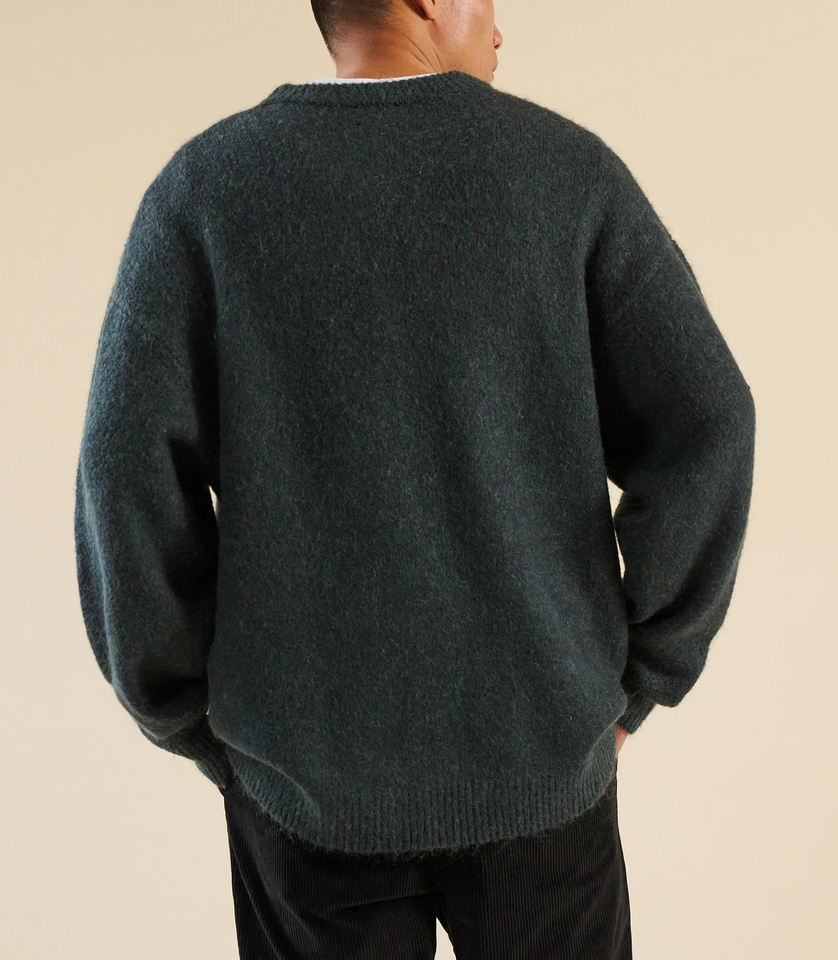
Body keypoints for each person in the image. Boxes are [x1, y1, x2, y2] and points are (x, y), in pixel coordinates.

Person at [73, 1, 756, 957]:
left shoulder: (207, 189)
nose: (501, 29)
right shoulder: (566, 174)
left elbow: (123, 474)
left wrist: (186, 712)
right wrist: (648, 671)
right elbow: (709, 421)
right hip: (542, 764)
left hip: (304, 779)